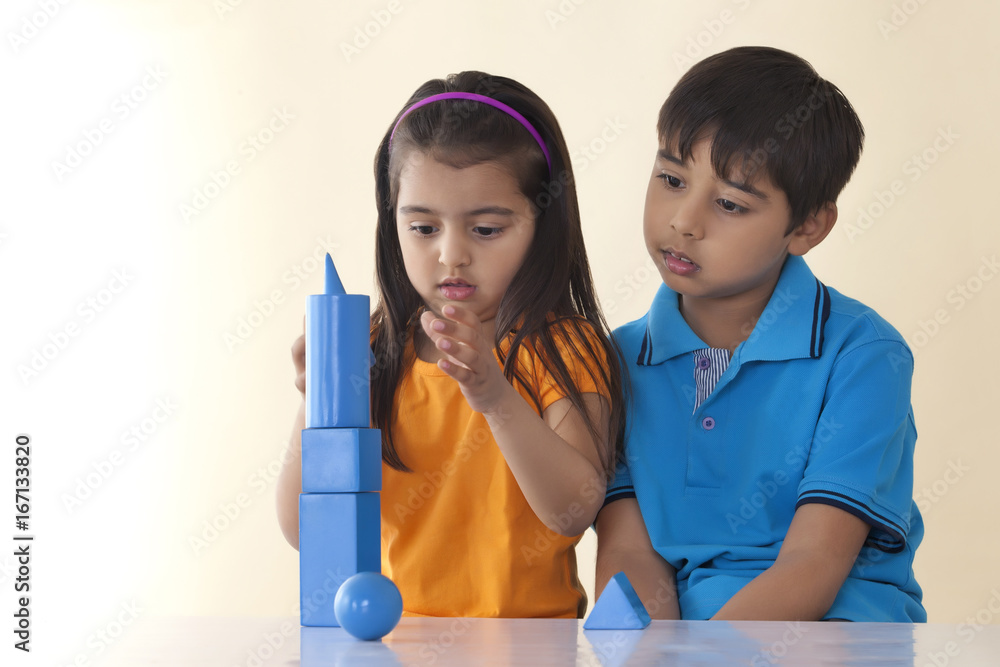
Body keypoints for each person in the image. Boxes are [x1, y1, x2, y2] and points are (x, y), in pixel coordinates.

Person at [277, 71, 626, 618]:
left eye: (486, 230)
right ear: (392, 222)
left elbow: (574, 510)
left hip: (533, 648)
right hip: (394, 644)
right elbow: (302, 531)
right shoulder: (374, 352)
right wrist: (316, 405)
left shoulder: (562, 348)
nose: (451, 255)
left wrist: (494, 397)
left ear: (542, 223)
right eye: (423, 228)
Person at [595, 46, 925, 622]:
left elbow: (813, 564)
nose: (684, 221)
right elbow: (628, 552)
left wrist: (703, 659)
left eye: (729, 203)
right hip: (689, 637)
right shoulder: (615, 361)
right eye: (671, 178)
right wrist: (650, 651)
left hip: (835, 628)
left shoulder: (864, 356)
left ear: (808, 226)